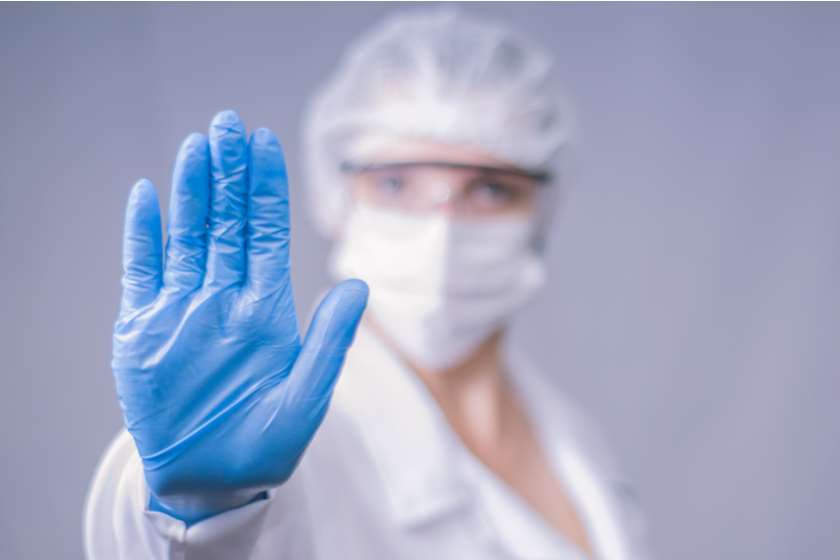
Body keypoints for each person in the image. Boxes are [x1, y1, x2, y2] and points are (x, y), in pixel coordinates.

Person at [85, 9, 652, 560]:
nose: (442, 231)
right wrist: (200, 511)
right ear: (338, 199)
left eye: (490, 189)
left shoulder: (568, 433)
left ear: (540, 211)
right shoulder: (288, 446)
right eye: (395, 183)